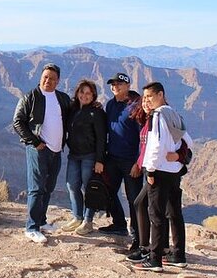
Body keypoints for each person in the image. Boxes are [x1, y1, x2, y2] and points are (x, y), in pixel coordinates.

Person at [134, 81, 189, 272]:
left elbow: (155, 146)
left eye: (150, 96)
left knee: (156, 215)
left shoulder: (157, 115)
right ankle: (178, 255)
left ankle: (155, 259)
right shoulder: (173, 113)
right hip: (174, 172)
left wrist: (150, 170)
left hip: (159, 171)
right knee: (174, 214)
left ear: (160, 95)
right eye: (145, 97)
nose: (147, 100)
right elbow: (187, 141)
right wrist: (179, 157)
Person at [13, 63, 71, 243]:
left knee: (49, 187)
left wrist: (95, 105)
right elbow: (18, 122)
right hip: (38, 150)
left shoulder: (62, 98)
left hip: (56, 150)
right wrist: (35, 141)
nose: (48, 80)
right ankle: (31, 227)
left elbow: (75, 112)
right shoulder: (30, 97)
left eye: (52, 78)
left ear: (58, 81)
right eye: (45, 77)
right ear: (40, 77)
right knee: (36, 188)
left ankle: (42, 221)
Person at [99, 73, 143, 252]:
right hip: (113, 158)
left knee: (134, 200)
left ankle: (138, 238)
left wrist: (138, 163)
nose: (115, 86)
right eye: (113, 83)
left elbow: (143, 137)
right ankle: (118, 224)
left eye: (119, 83)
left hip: (131, 161)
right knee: (107, 191)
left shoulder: (137, 106)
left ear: (127, 85)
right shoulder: (110, 105)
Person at [62, 79, 107, 235]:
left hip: (90, 156)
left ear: (93, 95)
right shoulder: (72, 109)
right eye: (82, 92)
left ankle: (88, 221)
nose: (85, 96)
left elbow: (102, 138)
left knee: (89, 189)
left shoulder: (97, 112)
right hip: (74, 155)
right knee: (72, 186)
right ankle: (77, 217)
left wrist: (100, 160)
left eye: (88, 93)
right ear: (77, 93)